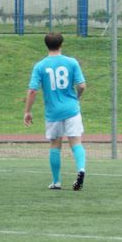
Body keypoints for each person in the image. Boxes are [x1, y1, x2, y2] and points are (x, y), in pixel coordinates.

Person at [24, 32, 88, 191]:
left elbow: (32, 91)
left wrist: (27, 111)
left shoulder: (40, 66)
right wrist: (77, 98)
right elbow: (82, 85)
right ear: (62, 44)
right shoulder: (72, 62)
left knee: (55, 145)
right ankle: (81, 170)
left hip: (53, 112)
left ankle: (56, 182)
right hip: (72, 109)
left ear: (46, 45)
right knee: (76, 142)